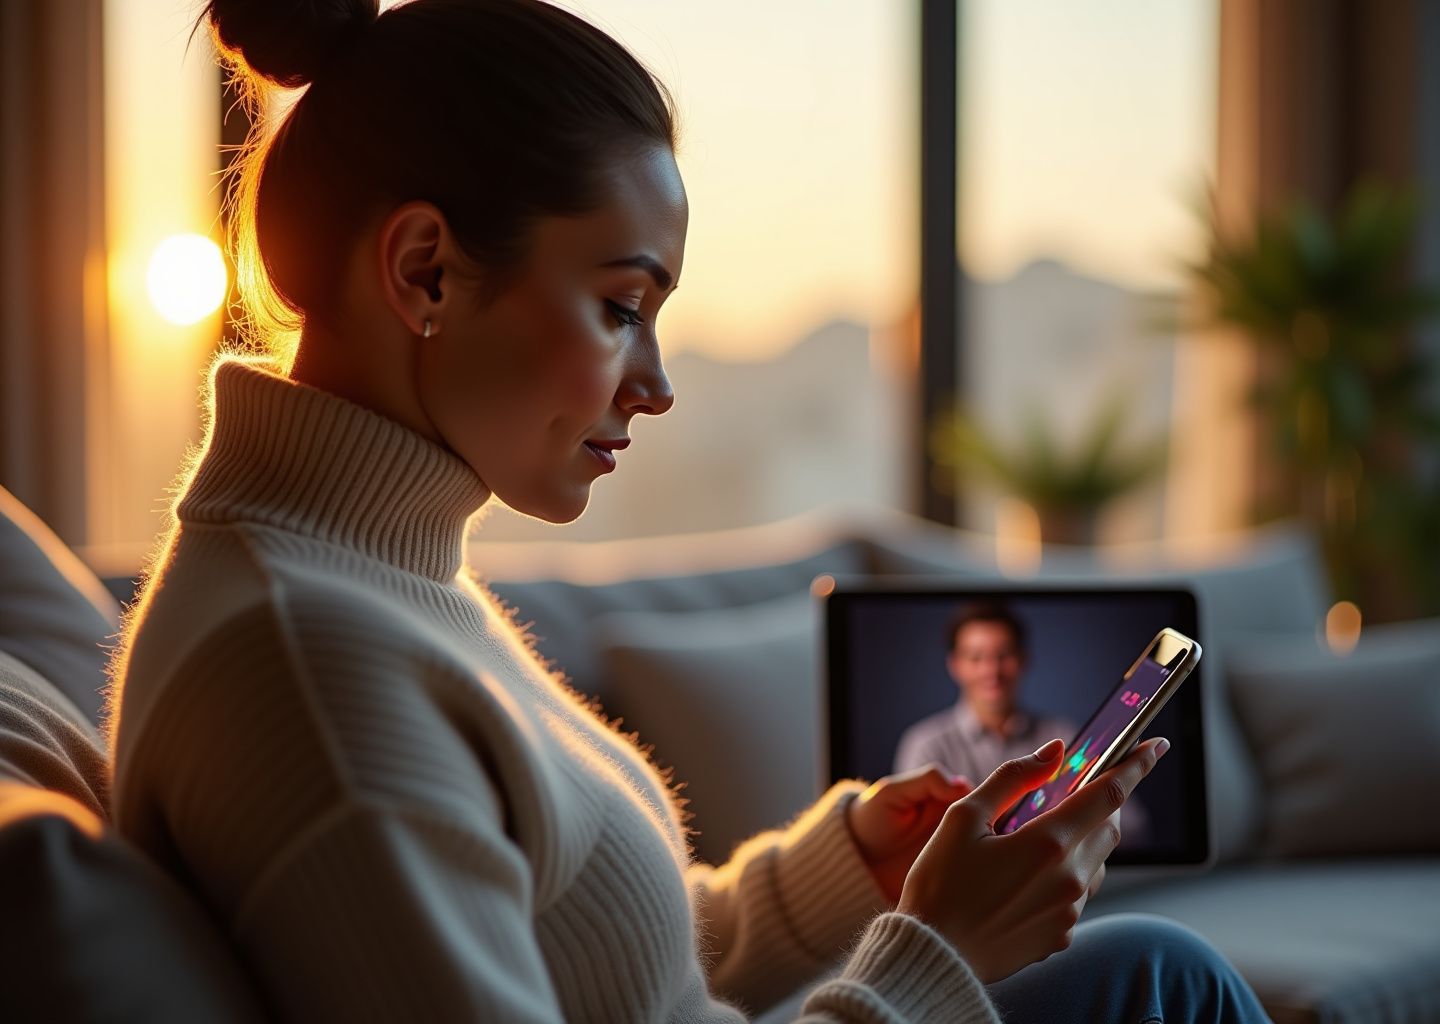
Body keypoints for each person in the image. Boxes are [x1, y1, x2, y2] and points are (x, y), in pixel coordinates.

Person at [101, 1, 1273, 1021]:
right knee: (1158, 978)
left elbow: (608, 973)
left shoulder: (376, 583)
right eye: (622, 306)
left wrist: (855, 869)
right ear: (424, 271)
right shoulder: (313, 669)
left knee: (1152, 969)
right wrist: (940, 954)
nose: (656, 385)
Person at [894, 601, 1153, 847]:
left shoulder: (1062, 736)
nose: (991, 671)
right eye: (975, 657)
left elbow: (1131, 828)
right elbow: (910, 846)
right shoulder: (924, 744)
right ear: (955, 665)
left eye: (1003, 655)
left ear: (1023, 659)